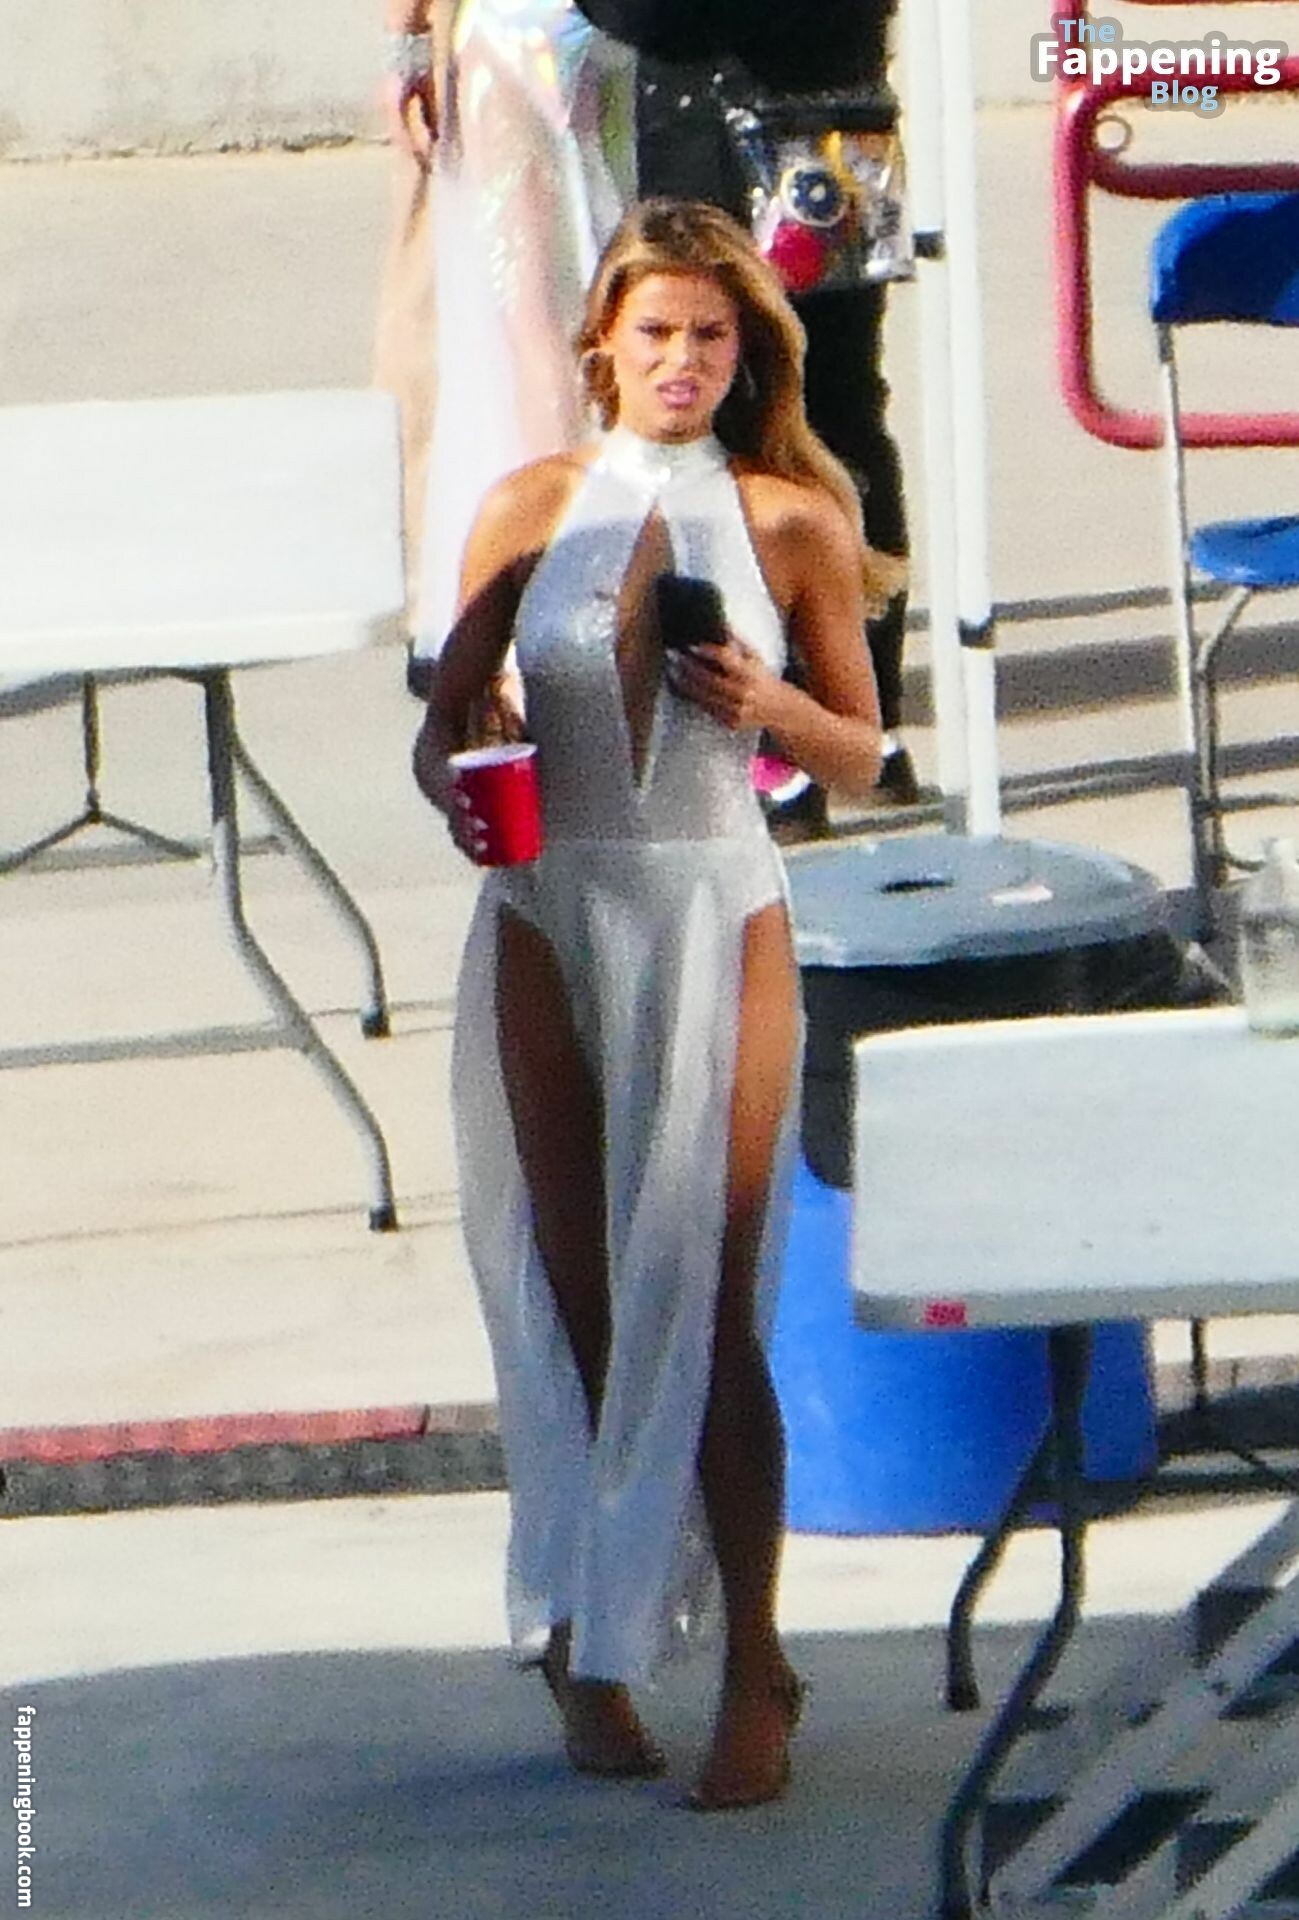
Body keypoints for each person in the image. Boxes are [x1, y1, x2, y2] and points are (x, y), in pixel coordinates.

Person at [414, 197, 885, 1808]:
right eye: (658, 332)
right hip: (547, 906)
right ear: (601, 344)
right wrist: (459, 779)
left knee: (709, 1294)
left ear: (745, 352)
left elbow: (862, 754)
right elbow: (441, 721)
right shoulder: (527, 508)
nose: (683, 361)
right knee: (579, 1299)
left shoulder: (788, 520)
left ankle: (755, 1660)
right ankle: (589, 1637)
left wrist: (769, 702)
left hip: (710, 903)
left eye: (711, 336)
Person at [580, 0, 917, 825]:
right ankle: (862, 725)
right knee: (839, 412)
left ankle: (785, 740)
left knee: (736, 428)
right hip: (833, 130)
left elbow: (655, 18)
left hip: (738, 146)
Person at [383, 0, 637, 692]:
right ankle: (618, 567)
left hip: (512, 38)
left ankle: (561, 585)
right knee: (611, 297)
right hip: (613, 36)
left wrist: (405, 48)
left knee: (533, 329)